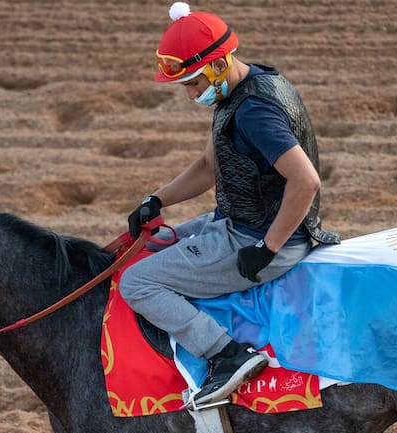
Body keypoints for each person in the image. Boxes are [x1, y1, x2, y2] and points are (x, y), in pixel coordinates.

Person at [120, 2, 339, 406]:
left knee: (138, 282)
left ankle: (226, 354)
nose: (189, 95)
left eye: (192, 83)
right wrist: (158, 199)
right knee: (148, 249)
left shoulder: (254, 112)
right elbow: (209, 165)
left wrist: (267, 248)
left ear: (218, 65)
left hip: (262, 240)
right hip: (239, 220)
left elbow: (305, 181)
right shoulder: (245, 85)